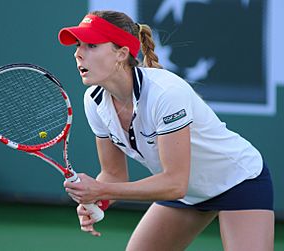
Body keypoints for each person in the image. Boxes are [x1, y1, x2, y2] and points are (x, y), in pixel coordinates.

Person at [58, 10, 274, 251]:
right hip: (185, 193)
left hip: (237, 181)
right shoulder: (94, 101)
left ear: (121, 53)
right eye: (78, 45)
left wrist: (101, 189)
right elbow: (113, 174)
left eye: (92, 45)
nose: (78, 53)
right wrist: (99, 199)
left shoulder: (166, 93)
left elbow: (174, 183)